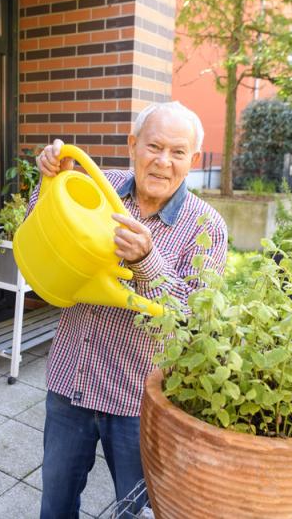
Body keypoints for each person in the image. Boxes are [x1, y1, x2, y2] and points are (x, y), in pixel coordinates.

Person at [30, 101, 229, 518]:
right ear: (132, 144)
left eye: (177, 152)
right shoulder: (102, 185)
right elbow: (46, 231)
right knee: (56, 504)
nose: (162, 161)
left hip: (137, 400)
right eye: (153, 146)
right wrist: (46, 182)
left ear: (192, 160)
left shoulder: (207, 227)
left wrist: (146, 261)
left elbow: (195, 318)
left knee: (137, 511)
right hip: (73, 380)